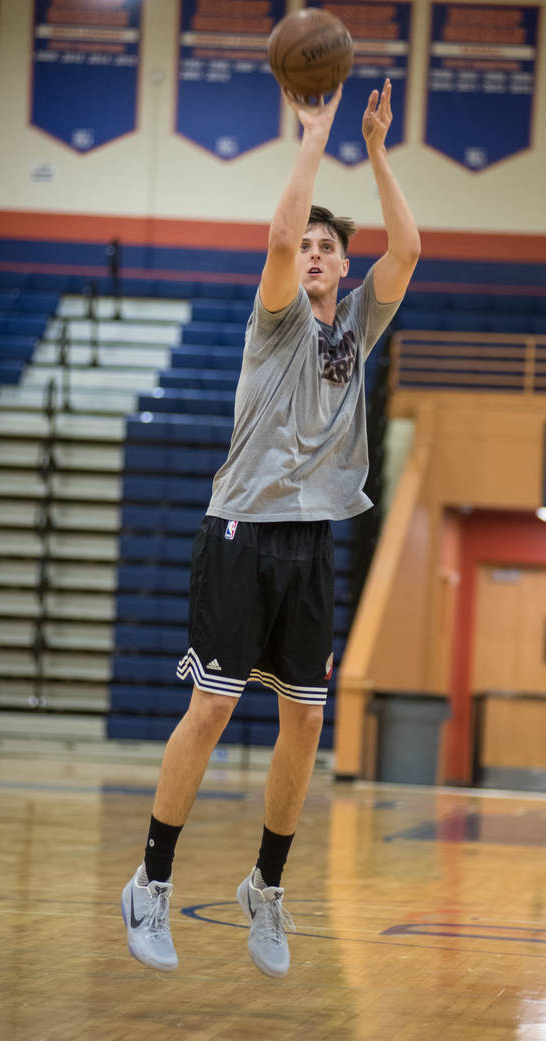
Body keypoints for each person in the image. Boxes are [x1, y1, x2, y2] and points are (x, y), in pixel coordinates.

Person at [121, 78, 420, 978]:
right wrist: (316, 133)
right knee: (211, 707)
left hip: (310, 542)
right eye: (314, 245)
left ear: (345, 263)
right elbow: (280, 235)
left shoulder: (359, 327)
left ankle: (267, 887)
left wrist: (373, 148)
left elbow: (408, 248)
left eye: (333, 245)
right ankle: (151, 882)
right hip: (240, 531)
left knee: (302, 729)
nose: (318, 252)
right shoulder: (279, 317)